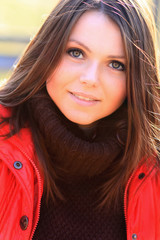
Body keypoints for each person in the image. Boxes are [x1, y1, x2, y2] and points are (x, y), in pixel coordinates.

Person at [0, 0, 159, 239]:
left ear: (136, 79)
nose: (90, 78)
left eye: (116, 65)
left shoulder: (152, 168)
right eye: (76, 52)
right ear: (47, 50)